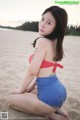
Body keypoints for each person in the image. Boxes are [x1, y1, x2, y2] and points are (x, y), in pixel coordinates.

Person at [9, 6, 69, 120]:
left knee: (11, 99)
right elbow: (45, 71)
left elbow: (32, 71)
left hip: (49, 96)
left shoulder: (42, 41)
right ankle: (57, 107)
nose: (42, 24)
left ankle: (51, 114)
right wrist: (30, 87)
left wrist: (20, 90)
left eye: (49, 22)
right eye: (42, 19)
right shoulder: (56, 42)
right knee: (30, 92)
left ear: (57, 27)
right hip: (60, 92)